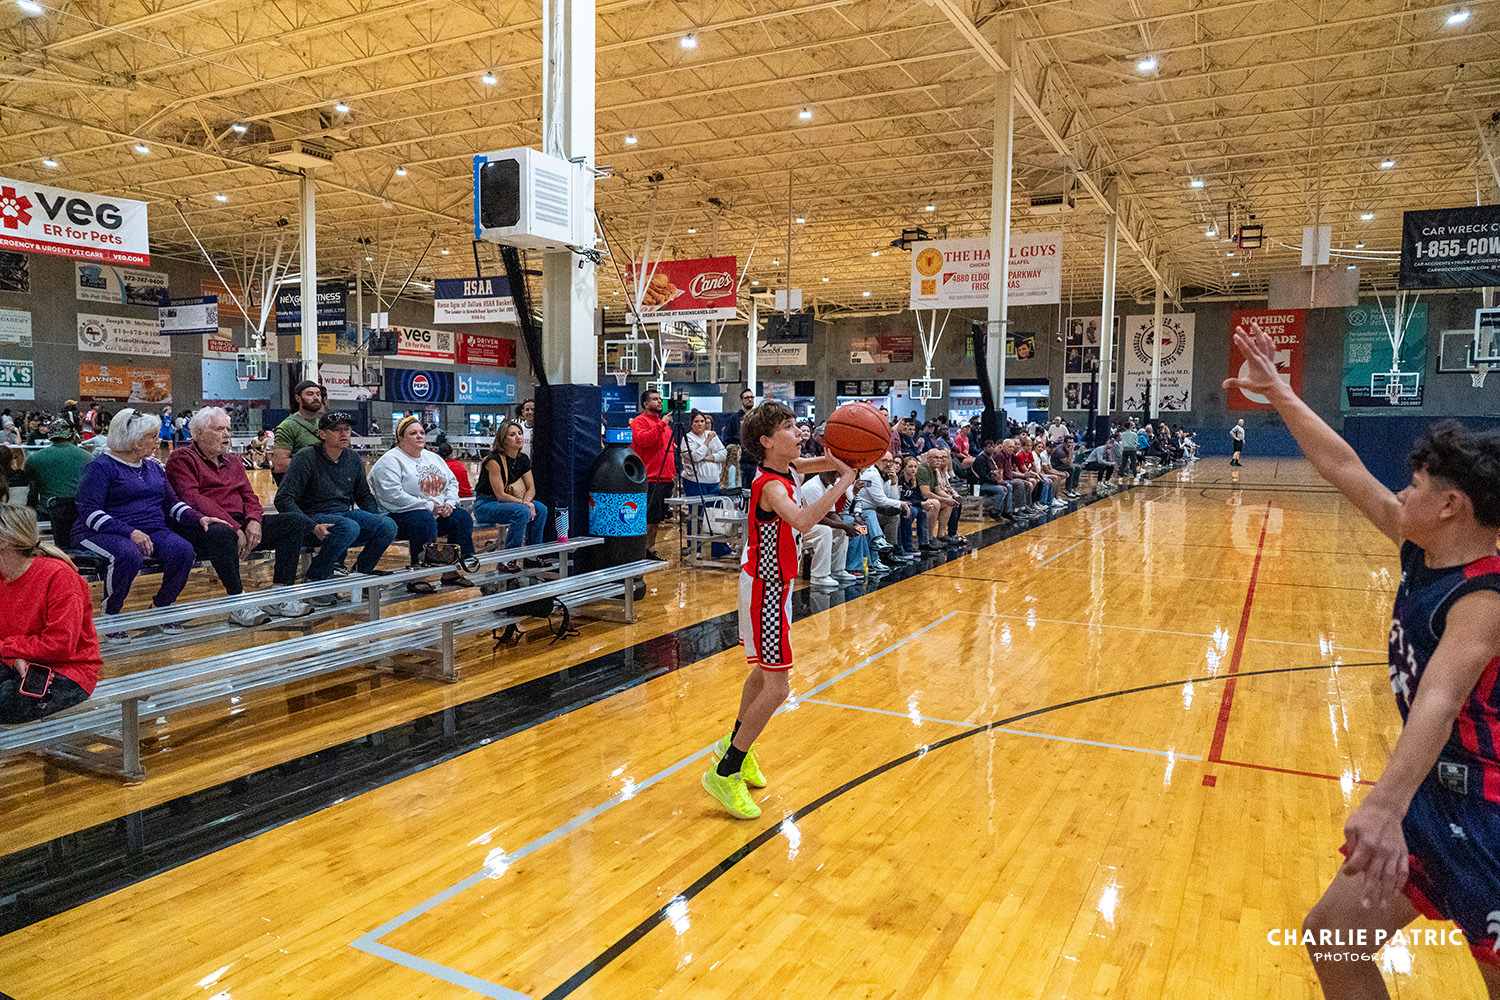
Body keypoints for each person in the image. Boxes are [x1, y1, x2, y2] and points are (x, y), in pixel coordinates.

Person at [1221, 322, 1500, 1000]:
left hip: (1491, 812)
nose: (1399, 494)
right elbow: (1344, 465)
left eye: (1413, 485)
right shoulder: (1426, 548)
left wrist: (1382, 805)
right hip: (1435, 795)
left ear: (1449, 505)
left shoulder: (1485, 595)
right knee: (1334, 937)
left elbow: (1439, 699)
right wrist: (1282, 394)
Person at [702, 400, 855, 819]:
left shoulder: (787, 468)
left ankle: (734, 744)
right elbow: (804, 521)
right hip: (765, 589)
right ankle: (725, 770)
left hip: (777, 585)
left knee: (763, 673)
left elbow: (818, 460)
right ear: (767, 442)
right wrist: (843, 482)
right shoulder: (769, 484)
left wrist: (856, 453)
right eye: (788, 427)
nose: (797, 431)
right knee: (778, 686)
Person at [73, 408, 230, 639]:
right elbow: (89, 512)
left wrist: (199, 517)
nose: (158, 441)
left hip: (151, 529)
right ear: (134, 440)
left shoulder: (154, 468)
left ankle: (163, 605)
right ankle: (111, 614)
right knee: (128, 554)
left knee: (184, 550)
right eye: (152, 436)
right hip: (99, 532)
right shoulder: (101, 467)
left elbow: (172, 504)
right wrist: (129, 532)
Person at [165, 407, 314, 625]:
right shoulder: (181, 459)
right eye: (219, 429)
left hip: (240, 523)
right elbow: (194, 499)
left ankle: (280, 595)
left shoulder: (233, 461)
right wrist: (235, 527)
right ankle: (238, 602)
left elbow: (249, 495)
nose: (227, 434)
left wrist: (254, 520)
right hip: (203, 525)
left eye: (228, 429)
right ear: (199, 433)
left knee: (294, 522)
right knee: (220, 533)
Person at [273, 411, 398, 601]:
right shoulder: (305, 458)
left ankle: (361, 574)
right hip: (313, 517)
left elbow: (363, 495)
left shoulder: (353, 459)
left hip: (343, 516)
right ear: (322, 434)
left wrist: (375, 519)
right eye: (336, 430)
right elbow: (283, 499)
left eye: (347, 429)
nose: (343, 434)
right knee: (348, 527)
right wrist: (310, 526)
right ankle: (315, 578)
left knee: (388, 525)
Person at [0, 505, 101, 724]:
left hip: (68, 670)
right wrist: (14, 658)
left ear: (5, 541)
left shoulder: (58, 576)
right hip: (15, 659)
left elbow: (60, 645)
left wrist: (8, 649)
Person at [369, 415, 475, 592]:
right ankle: (418, 576)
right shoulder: (389, 461)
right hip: (398, 516)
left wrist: (449, 503)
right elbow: (394, 496)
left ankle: (453, 571)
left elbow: (452, 482)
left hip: (434, 513)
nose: (419, 436)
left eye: (421, 432)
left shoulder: (432, 457)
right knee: (423, 519)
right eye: (413, 433)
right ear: (400, 439)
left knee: (461, 517)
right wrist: (429, 505)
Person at [473, 420, 547, 554]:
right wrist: (524, 504)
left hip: (510, 502)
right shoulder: (493, 461)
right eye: (512, 435)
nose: (518, 437)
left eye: (520, 433)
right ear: (504, 440)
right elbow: (500, 495)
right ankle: (509, 558)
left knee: (541, 509)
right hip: (486, 504)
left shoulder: (523, 459)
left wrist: (527, 502)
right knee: (522, 511)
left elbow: (531, 488)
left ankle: (532, 556)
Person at [24, 421, 92, 543]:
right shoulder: (88, 457)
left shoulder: (33, 459)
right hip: (81, 514)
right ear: (73, 435)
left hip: (48, 514)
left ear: (50, 436)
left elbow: (32, 495)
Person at [630, 389, 675, 561]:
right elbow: (644, 440)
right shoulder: (639, 421)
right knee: (648, 518)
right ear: (645, 404)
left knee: (656, 519)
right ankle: (642, 550)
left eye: (660, 398)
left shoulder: (665, 426)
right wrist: (661, 424)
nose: (659, 401)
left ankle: (651, 548)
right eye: (655, 399)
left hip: (666, 478)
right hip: (650, 478)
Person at [679, 410, 730, 559]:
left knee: (715, 515)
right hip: (694, 482)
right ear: (691, 424)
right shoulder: (688, 438)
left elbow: (723, 453)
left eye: (702, 421)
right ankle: (694, 549)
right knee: (695, 515)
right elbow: (695, 456)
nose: (700, 424)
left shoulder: (714, 436)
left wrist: (710, 458)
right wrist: (706, 442)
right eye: (697, 422)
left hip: (713, 481)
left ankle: (719, 550)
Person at [272, 380, 325, 481]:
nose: (316, 397)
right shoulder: (287, 426)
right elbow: (280, 465)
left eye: (318, 394)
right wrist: (318, 466)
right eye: (310, 394)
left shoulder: (323, 424)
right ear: (298, 398)